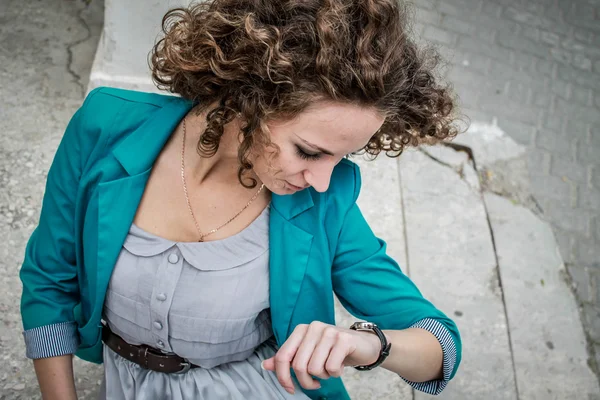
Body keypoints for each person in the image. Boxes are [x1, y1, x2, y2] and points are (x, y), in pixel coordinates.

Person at [19, 0, 463, 399]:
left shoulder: (328, 200)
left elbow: (440, 344)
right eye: (309, 151)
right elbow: (49, 281)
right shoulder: (104, 125)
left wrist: (370, 344)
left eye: (342, 156)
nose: (325, 181)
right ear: (249, 99)